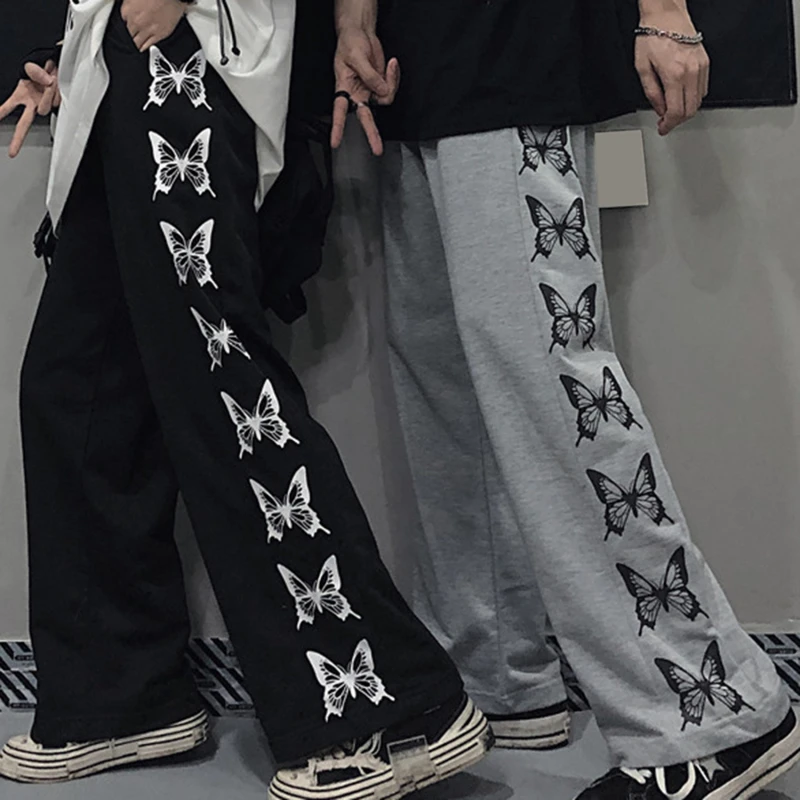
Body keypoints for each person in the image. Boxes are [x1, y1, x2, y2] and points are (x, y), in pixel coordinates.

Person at [0, 1, 495, 798]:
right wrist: (75, 50)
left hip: (187, 53)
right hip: (118, 54)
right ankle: (119, 696)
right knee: (78, 381)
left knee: (222, 384)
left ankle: (389, 707)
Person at [332, 0, 800, 798]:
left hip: (514, 43)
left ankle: (710, 714)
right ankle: (501, 675)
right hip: (413, 58)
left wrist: (664, 12)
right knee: (446, 385)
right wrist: (355, 20)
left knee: (554, 377)